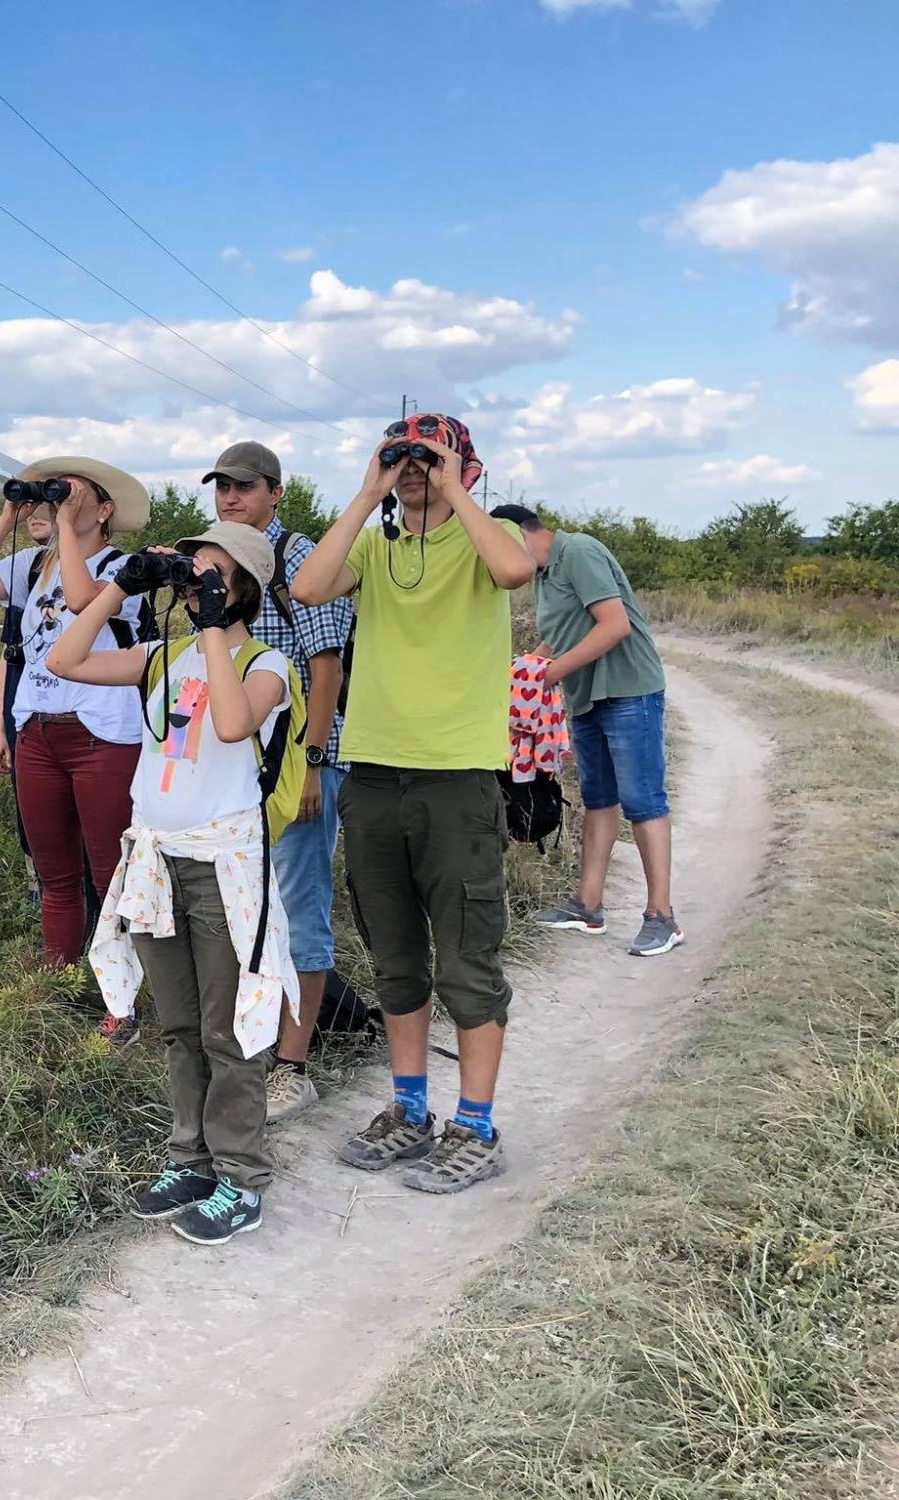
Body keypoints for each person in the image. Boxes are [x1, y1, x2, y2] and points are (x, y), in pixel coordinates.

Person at [291, 413, 534, 1194]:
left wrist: (454, 484)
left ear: (468, 466)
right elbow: (306, 586)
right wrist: (370, 490)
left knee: (467, 961)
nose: (415, 468)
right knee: (394, 957)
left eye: (430, 455)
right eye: (405, 454)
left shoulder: (484, 535)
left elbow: (512, 571)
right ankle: (408, 1109)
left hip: (456, 778)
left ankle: (477, 1124)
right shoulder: (375, 544)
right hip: (374, 776)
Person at [50, 522, 297, 1245]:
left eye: (212, 574)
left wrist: (218, 625)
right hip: (158, 861)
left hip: (224, 865)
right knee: (180, 1025)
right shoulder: (164, 656)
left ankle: (242, 1178)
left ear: (243, 586)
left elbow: (229, 724)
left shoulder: (266, 661)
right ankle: (189, 1158)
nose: (195, 585)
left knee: (231, 1029)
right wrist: (121, 588)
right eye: (190, 574)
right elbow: (66, 660)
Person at [0, 458, 150, 1017]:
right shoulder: (34, 564)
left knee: (109, 872)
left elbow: (85, 599)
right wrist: (8, 513)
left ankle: (120, 1001)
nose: (62, 501)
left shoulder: (126, 568)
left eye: (78, 493)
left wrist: (63, 523)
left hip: (102, 735)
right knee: (54, 870)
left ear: (105, 510)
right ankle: (58, 981)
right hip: (37, 729)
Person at [199, 441, 355, 1122]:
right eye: (221, 487)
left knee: (299, 909)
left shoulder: (297, 557)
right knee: (247, 910)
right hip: (242, 766)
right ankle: (253, 1046)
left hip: (301, 764)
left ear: (275, 492)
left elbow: (326, 667)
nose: (230, 497)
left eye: (243, 486)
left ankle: (293, 1066)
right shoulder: (220, 559)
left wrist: (316, 761)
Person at [492, 504, 680, 957]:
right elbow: (562, 633)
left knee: (643, 801)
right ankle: (587, 906)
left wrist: (550, 674)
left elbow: (614, 625)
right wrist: (528, 668)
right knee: (599, 799)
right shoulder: (541, 575)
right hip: (588, 697)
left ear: (519, 533)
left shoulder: (577, 551)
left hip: (628, 691)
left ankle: (662, 917)